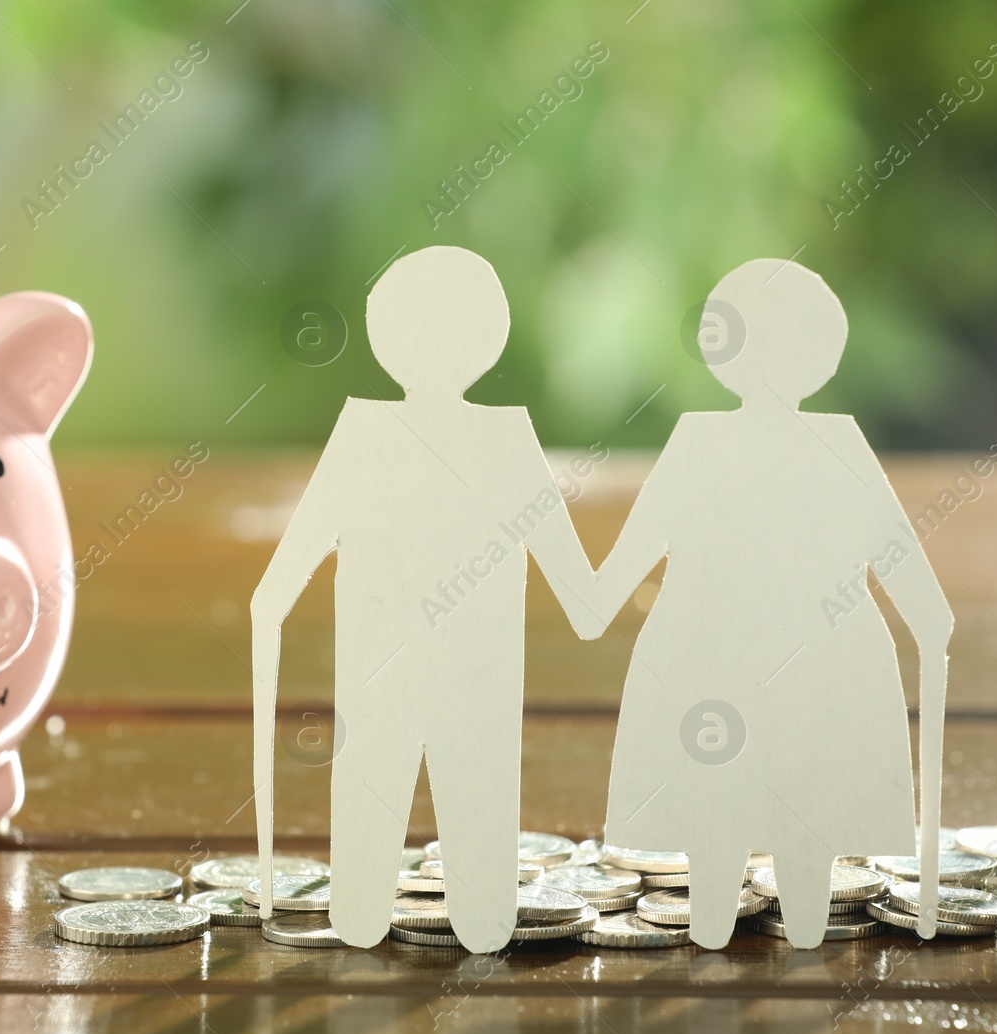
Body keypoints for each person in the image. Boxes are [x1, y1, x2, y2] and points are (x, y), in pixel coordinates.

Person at [577, 259, 952, 948]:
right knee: (801, 831)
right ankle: (793, 938)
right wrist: (933, 626)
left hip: (707, 668)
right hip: (818, 669)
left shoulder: (696, 441)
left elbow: (610, 581)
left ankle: (716, 935)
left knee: (718, 829)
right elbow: (919, 590)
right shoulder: (839, 443)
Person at [251, 246, 599, 953]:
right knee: (480, 923)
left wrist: (267, 625)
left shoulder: (364, 436)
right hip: (473, 693)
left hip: (389, 687)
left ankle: (378, 918)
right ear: (491, 337)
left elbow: (274, 591)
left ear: (385, 337)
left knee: (365, 916)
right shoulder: (505, 441)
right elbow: (583, 597)